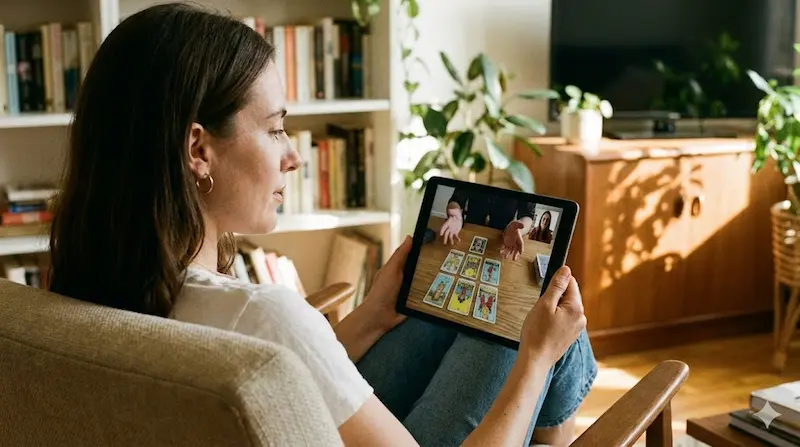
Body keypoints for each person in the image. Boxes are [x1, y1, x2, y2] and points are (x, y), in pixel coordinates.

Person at [47, 4, 597, 446]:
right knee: (534, 319)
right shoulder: (266, 316)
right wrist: (536, 361)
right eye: (275, 130)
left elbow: (274, 381)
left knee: (452, 311)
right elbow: (275, 345)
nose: (295, 157)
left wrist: (370, 318)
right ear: (198, 149)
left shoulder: (82, 291)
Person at [440, 187, 536, 260]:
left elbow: (528, 215)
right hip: (467, 234)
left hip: (502, 240)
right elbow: (456, 200)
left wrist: (519, 230)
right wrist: (455, 215)